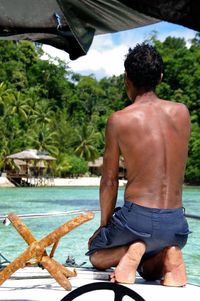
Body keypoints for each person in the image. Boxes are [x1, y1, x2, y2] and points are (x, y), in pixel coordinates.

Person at [86, 43, 191, 286]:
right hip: (176, 225)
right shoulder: (183, 114)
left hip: (137, 220)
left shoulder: (119, 120)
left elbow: (109, 180)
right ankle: (169, 252)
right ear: (161, 78)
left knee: (96, 254)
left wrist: (104, 227)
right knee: (150, 270)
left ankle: (132, 250)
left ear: (126, 79)